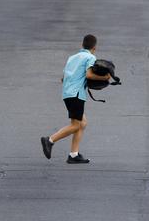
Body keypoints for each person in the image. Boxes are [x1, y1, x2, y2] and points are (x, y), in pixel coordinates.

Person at [41, 34, 110, 164]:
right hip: (76, 94)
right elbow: (89, 75)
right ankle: (49, 140)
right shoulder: (90, 57)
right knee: (76, 125)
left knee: (82, 123)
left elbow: (63, 78)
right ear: (94, 48)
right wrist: (104, 78)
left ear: (82, 45)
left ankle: (73, 155)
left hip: (67, 93)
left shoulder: (72, 58)